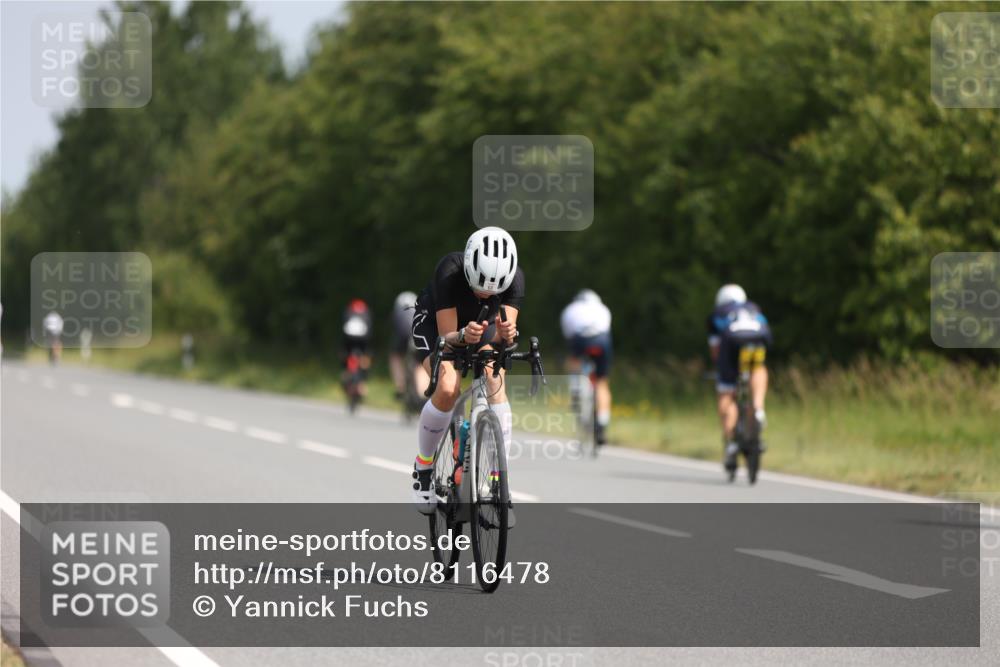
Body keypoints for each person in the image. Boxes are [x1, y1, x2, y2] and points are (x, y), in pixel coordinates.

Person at [410, 226, 522, 514]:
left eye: (493, 290)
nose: (485, 293)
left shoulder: (514, 280)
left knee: (494, 377)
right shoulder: (449, 270)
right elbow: (449, 339)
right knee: (448, 387)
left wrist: (507, 333)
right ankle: (423, 468)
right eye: (479, 286)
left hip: (480, 326)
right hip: (439, 324)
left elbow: (500, 338)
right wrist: (462, 336)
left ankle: (499, 481)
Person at [707, 284, 771, 474]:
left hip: (731, 340)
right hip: (758, 336)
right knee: (758, 368)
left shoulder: (717, 313)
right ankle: (758, 408)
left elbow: (716, 350)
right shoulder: (753, 308)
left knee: (726, 393)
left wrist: (724, 374)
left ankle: (731, 443)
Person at [560, 289, 613, 445]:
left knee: (574, 362)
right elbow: (607, 328)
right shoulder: (603, 308)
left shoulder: (570, 309)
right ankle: (602, 424)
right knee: (602, 382)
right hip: (602, 340)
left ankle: (576, 389)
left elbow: (568, 335)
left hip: (579, 340)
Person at [389, 291, 428, 401]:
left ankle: (400, 387)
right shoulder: (418, 308)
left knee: (395, 357)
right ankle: (422, 394)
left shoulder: (398, 311)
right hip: (418, 336)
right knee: (420, 364)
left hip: (403, 337)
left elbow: (396, 328)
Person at [342, 299, 373, 397]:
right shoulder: (366, 313)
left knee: (345, 356)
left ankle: (346, 376)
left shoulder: (348, 311)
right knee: (366, 357)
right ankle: (362, 383)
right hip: (363, 342)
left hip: (349, 341)